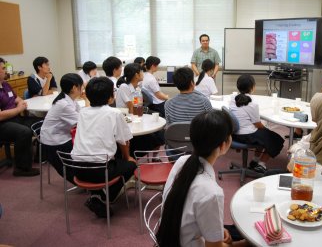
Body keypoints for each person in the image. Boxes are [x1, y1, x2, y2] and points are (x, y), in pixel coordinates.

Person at [156, 110, 247, 247]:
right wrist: (245, 244)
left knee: (234, 231)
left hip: (171, 237)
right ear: (223, 145)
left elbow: (187, 212)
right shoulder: (211, 192)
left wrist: (216, 229)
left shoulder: (182, 161)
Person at [71, 77, 136, 218]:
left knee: (111, 158)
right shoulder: (114, 113)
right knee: (131, 165)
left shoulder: (83, 112)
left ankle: (97, 194)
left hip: (76, 168)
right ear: (110, 97)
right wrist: (128, 158)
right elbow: (124, 141)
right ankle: (105, 197)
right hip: (101, 170)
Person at [230, 74, 284, 175]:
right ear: (252, 87)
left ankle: (254, 161)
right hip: (246, 136)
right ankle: (261, 164)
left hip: (234, 134)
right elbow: (258, 125)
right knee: (276, 139)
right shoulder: (252, 105)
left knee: (263, 135)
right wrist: (266, 130)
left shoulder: (233, 98)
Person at [41, 73, 87, 183]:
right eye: (81, 86)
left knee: (85, 149)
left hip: (63, 136)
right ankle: (86, 182)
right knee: (83, 155)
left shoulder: (70, 100)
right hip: (54, 141)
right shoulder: (64, 104)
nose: (83, 88)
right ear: (74, 88)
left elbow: (83, 115)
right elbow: (84, 122)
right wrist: (87, 99)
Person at [0, 57, 40, 176]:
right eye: (3, 68)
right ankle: (21, 168)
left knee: (40, 123)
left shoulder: (5, 85)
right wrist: (18, 109)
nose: (5, 71)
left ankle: (41, 156)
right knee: (24, 132)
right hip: (3, 124)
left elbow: (17, 98)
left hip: (15, 118)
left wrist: (20, 103)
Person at [116, 63, 164, 155]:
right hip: (126, 120)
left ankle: (154, 156)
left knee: (159, 133)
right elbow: (131, 108)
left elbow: (139, 107)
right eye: (141, 71)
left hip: (135, 117)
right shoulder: (124, 87)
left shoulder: (137, 88)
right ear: (136, 75)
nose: (143, 73)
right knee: (154, 135)